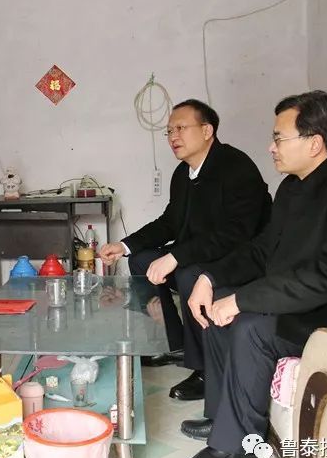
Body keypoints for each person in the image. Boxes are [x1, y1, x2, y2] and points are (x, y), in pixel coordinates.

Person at [181, 90, 327, 458]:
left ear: (314, 143)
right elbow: (263, 249)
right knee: (216, 307)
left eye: (279, 138)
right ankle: (223, 417)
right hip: (316, 301)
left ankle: (238, 445)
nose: (271, 148)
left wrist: (243, 300)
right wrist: (210, 277)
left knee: (252, 325)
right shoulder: (293, 186)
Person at [99, 99, 271, 400]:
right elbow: (170, 222)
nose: (173, 137)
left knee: (189, 274)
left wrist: (175, 256)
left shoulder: (236, 167)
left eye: (180, 128)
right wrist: (124, 245)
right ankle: (172, 343)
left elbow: (236, 233)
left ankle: (205, 369)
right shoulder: (183, 173)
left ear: (207, 130)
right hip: (197, 253)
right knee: (141, 260)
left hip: (237, 260)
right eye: (169, 131)